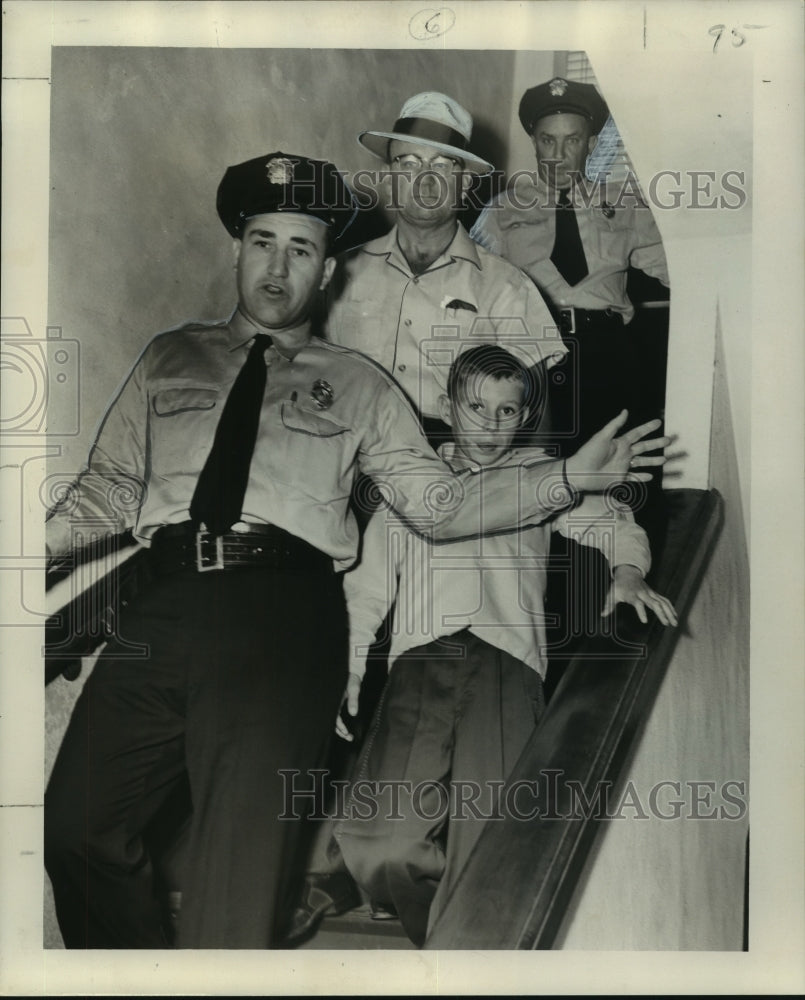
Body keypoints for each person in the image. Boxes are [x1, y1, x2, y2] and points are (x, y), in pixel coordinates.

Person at [44, 151, 668, 949]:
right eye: (263, 240)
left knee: (233, 888)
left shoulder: (364, 384)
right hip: (157, 607)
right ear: (237, 250)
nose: (278, 265)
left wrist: (565, 481)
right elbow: (104, 488)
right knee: (75, 828)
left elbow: (437, 507)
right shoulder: (170, 355)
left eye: (300, 249)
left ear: (327, 270)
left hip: (283, 614)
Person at [330, 345, 677, 947]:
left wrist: (628, 572)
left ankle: (463, 958)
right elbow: (365, 589)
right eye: (476, 406)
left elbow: (618, 525)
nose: (491, 424)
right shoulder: (410, 485)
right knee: (378, 842)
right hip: (421, 662)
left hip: (507, 667)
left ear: (524, 416)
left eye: (508, 410)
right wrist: (350, 667)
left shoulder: (544, 476)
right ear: (446, 405)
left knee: (491, 838)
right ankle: (440, 929)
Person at [324, 90, 564, 445]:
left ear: (465, 183)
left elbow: (536, 417)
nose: (424, 179)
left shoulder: (508, 287)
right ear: (390, 176)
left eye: (442, 165)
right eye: (408, 163)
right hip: (348, 454)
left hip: (457, 466)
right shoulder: (337, 273)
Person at [470, 77, 670, 453]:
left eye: (572, 140)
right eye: (548, 140)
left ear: (591, 144)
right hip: (530, 352)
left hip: (608, 353)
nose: (558, 154)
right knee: (539, 478)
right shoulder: (502, 209)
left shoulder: (626, 205)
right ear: (534, 142)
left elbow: (685, 273)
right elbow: (467, 280)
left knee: (624, 474)